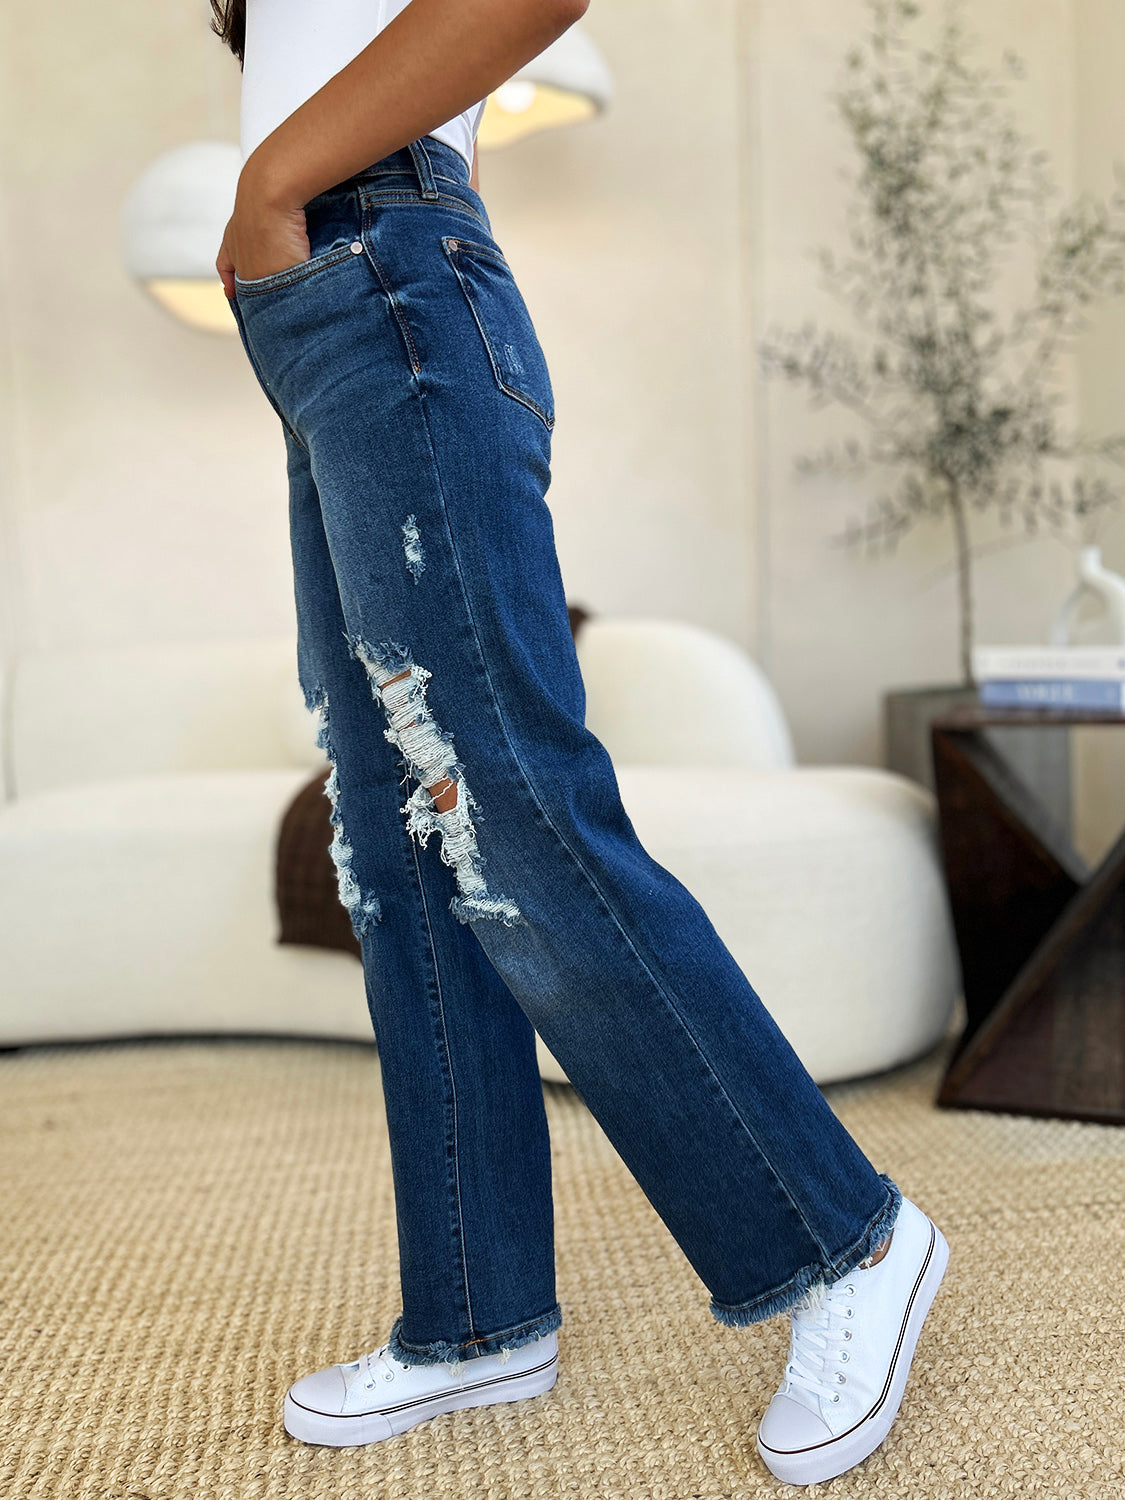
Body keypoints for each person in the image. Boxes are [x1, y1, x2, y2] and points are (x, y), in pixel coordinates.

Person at [211, 0, 949, 1485]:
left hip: (381, 264)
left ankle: (844, 1239)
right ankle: (476, 1314)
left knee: (505, 805)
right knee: (399, 832)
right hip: (329, 303)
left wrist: (272, 188)